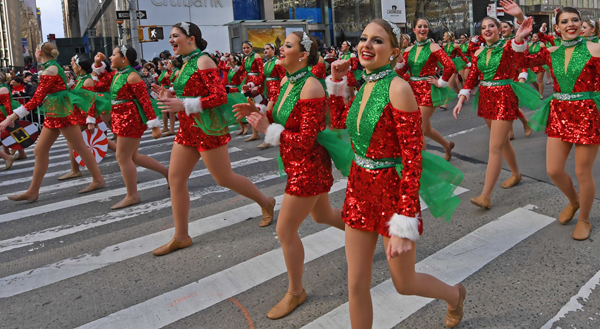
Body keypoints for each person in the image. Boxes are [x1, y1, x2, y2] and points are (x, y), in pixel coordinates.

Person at [327, 18, 465, 328]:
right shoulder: (365, 84)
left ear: (393, 51)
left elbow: (413, 157)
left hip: (393, 197)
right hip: (359, 192)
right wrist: (336, 86)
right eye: (364, 38)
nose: (366, 44)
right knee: (356, 284)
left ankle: (455, 295)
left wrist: (404, 220)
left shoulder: (399, 88)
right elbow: (341, 128)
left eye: (377, 40)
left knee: (404, 283)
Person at [234, 31, 349, 320]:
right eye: (282, 44)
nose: (279, 49)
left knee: (284, 230)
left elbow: (307, 139)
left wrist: (267, 130)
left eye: (287, 45)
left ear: (302, 55)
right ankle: (369, 232)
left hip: (308, 166)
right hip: (294, 163)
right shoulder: (287, 81)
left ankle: (296, 292)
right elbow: (281, 119)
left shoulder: (311, 86)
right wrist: (258, 113)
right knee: (322, 216)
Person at [151, 22, 275, 256]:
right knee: (176, 180)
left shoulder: (203, 61)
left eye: (175, 36)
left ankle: (265, 201)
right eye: (170, 37)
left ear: (191, 38)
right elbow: (189, 93)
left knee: (224, 178)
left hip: (208, 128)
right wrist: (171, 96)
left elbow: (218, 96)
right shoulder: (183, 64)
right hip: (188, 129)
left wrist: (184, 104)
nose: (171, 40)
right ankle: (181, 236)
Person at [514, 6, 600, 240]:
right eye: (565, 21)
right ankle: (574, 201)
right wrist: (519, 37)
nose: (571, 24)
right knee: (553, 169)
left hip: (587, 115)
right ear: (557, 28)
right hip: (560, 113)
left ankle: (584, 218)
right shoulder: (550, 51)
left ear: (582, 25)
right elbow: (521, 60)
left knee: (583, 171)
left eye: (575, 20)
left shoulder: (595, 49)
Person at [453, 1, 540, 209]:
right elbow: (473, 76)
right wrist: (461, 98)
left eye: (491, 26)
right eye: (483, 28)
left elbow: (522, 38)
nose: (487, 30)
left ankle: (485, 195)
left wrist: (519, 17)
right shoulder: (479, 53)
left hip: (504, 97)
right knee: (503, 143)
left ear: (499, 29)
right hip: (485, 99)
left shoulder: (508, 46)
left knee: (494, 147)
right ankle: (517, 174)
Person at [0, 42, 106, 202]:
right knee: (40, 150)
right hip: (54, 113)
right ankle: (33, 191)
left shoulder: (50, 70)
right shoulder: (51, 68)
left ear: (40, 53)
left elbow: (36, 99)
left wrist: (10, 118)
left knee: (80, 148)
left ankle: (98, 179)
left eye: (35, 49)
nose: (34, 52)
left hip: (62, 114)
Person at [93, 45, 169, 209]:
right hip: (120, 119)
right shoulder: (117, 74)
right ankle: (167, 173)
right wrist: (98, 63)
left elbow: (145, 101)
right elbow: (101, 82)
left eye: (113, 55)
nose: (110, 58)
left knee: (122, 157)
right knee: (133, 156)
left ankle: (132, 195)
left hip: (130, 120)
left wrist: (155, 125)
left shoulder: (133, 76)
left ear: (124, 58)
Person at [396, 18, 456, 161]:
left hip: (428, 92)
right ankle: (447, 145)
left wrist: (440, 82)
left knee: (417, 130)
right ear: (414, 29)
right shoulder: (408, 50)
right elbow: (401, 71)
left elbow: (450, 66)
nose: (423, 29)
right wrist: (398, 58)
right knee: (426, 130)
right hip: (412, 92)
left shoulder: (434, 47)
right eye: (420, 26)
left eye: (425, 26)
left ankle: (421, 167)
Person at [256, 42, 285, 150]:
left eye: (268, 48)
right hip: (269, 92)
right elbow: (262, 78)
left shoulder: (277, 62)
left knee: (269, 113)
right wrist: (253, 86)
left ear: (273, 50)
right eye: (264, 49)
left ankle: (268, 140)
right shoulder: (266, 64)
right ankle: (277, 136)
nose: (265, 51)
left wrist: (282, 91)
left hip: (277, 91)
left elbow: (283, 77)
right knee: (273, 114)